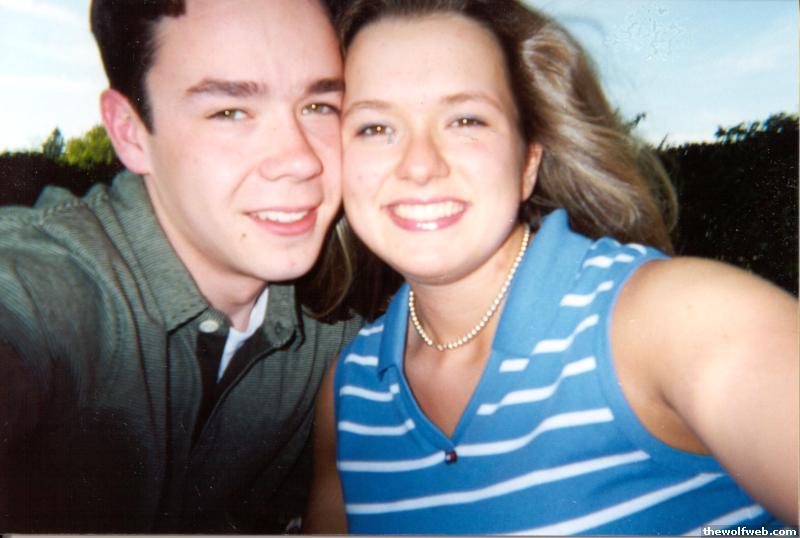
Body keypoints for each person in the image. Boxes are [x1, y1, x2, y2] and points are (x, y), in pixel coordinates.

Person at [304, 0, 799, 534]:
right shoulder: (350, 392)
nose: (420, 165)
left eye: (466, 120)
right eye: (375, 127)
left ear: (527, 162)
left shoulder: (680, 320)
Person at [0, 0, 364, 532]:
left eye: (319, 106)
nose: (301, 160)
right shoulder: (46, 290)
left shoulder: (348, 337)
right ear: (130, 132)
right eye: (230, 112)